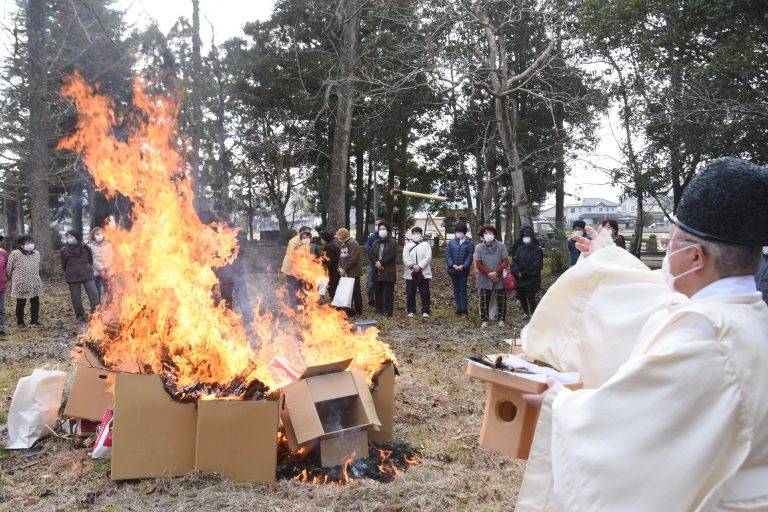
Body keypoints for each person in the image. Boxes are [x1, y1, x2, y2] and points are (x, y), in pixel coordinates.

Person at [516, 157, 768, 511]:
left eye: (672, 242)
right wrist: (605, 256)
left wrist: (560, 403)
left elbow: (626, 427)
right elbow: (644, 294)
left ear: (695, 256)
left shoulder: (707, 337)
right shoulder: (750, 317)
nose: (666, 251)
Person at [61, 230, 100, 322]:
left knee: (94, 294)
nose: (69, 239)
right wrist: (71, 270)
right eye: (68, 237)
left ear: (77, 237)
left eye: (71, 236)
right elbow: (64, 264)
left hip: (87, 274)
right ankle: (80, 316)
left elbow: (90, 260)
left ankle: (94, 314)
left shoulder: (86, 248)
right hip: (72, 276)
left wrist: (86, 267)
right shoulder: (64, 250)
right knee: (76, 298)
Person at [474, 224, 509, 328]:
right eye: (485, 233)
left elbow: (505, 261)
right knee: (484, 300)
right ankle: (484, 320)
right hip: (484, 277)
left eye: (490, 232)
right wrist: (489, 274)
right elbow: (478, 264)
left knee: (501, 299)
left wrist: (496, 272)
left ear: (494, 234)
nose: (488, 234)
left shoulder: (501, 246)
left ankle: (501, 319)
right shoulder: (479, 247)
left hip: (499, 277)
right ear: (482, 235)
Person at [7, 235, 43, 327]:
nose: (30, 245)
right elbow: (8, 268)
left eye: (31, 242)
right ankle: (20, 322)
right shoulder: (15, 253)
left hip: (35, 282)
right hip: (21, 283)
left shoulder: (36, 253)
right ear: (21, 245)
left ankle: (34, 321)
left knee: (35, 302)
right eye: (27, 243)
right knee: (21, 303)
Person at [511, 226, 544, 320]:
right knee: (521, 296)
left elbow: (537, 265)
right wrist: (516, 271)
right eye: (524, 236)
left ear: (532, 237)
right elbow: (514, 262)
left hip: (532, 278)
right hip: (520, 278)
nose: (526, 238)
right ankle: (526, 313)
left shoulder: (537, 250)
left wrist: (525, 273)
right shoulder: (520, 249)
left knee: (531, 297)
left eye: (528, 236)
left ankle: (534, 314)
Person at [369, 221, 398, 317]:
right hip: (377, 270)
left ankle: (388, 311)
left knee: (388, 292)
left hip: (388, 270)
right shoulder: (376, 242)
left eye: (383, 229)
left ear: (387, 230)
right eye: (380, 229)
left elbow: (392, 254)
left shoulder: (393, 242)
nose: (382, 231)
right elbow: (371, 254)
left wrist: (381, 262)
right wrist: (376, 263)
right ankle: (379, 310)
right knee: (378, 291)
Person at [403, 226, 432, 318]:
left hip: (423, 272)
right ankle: (411, 310)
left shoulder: (426, 245)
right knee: (410, 292)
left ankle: (425, 310)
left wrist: (420, 266)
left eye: (418, 233)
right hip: (410, 273)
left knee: (425, 292)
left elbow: (428, 257)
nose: (416, 235)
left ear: (421, 234)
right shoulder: (407, 245)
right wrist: (412, 265)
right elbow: (405, 258)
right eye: (414, 233)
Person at [446, 221, 475, 315]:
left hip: (463, 270)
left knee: (463, 289)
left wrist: (463, 266)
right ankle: (458, 307)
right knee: (456, 289)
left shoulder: (469, 242)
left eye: (460, 231)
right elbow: (448, 255)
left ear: (464, 232)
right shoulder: (451, 242)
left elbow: (470, 256)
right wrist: (453, 265)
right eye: (457, 231)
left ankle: (464, 307)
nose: (458, 233)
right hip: (453, 270)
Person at [336, 228, 363, 316]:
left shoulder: (353, 243)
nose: (338, 239)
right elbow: (341, 258)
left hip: (353, 272)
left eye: (339, 237)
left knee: (356, 292)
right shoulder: (343, 244)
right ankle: (349, 310)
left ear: (344, 237)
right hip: (345, 272)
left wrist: (344, 269)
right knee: (348, 292)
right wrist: (339, 267)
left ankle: (359, 310)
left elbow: (353, 259)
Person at [88, 227, 112, 302]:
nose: (99, 236)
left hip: (107, 273)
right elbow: (91, 259)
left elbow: (111, 257)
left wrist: (106, 267)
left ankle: (110, 308)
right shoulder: (89, 246)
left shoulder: (108, 245)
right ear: (93, 235)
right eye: (97, 234)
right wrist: (101, 267)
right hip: (95, 273)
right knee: (96, 293)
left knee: (109, 292)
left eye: (101, 234)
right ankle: (97, 309)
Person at [365, 218, 385, 306]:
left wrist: (382, 262)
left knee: (383, 284)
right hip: (372, 264)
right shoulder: (371, 237)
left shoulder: (389, 237)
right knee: (370, 284)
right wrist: (375, 262)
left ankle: (382, 301)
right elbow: (369, 251)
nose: (377, 226)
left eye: (379, 224)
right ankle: (371, 300)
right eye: (376, 225)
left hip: (385, 264)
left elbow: (390, 252)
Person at [321, 230, 341, 300]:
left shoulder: (329, 246)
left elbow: (332, 259)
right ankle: (337, 304)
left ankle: (336, 305)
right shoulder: (336, 244)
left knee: (331, 287)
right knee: (335, 287)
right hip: (337, 269)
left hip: (333, 271)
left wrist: (326, 267)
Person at [0, 236, 7, 336]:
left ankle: (1, 328)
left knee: (1, 308)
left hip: (1, 284)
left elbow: (5, 267)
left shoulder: (3, 253)